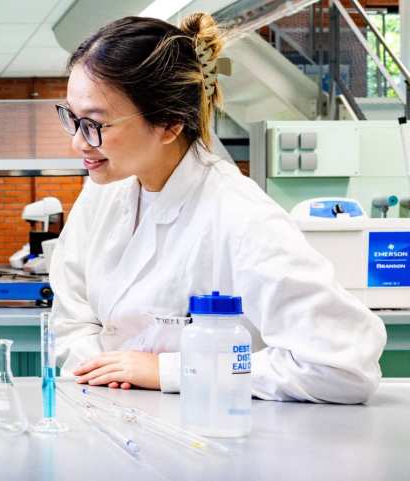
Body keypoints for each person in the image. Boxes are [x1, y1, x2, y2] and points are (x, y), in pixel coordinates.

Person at [49, 13, 385, 403]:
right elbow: (72, 314)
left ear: (169, 125)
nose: (77, 143)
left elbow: (343, 366)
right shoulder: (104, 193)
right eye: (71, 118)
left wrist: (173, 369)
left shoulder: (240, 216)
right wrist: (101, 371)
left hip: (213, 432)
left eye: (94, 124)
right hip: (113, 421)